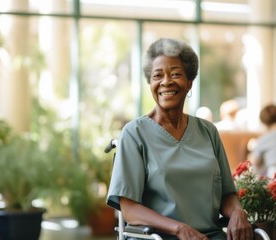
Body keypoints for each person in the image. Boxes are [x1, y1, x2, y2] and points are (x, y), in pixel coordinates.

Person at [106, 38, 253, 240]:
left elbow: (227, 195)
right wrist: (179, 229)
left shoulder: (208, 131)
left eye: (175, 74)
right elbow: (129, 209)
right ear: (151, 83)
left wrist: (237, 212)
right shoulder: (134, 134)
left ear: (189, 82)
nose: (166, 81)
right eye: (158, 75)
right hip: (159, 237)